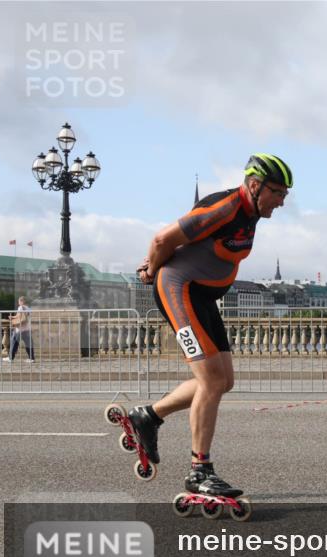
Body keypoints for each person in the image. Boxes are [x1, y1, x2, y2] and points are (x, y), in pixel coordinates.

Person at [131, 154, 292, 498]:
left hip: (201, 298)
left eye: (285, 194)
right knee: (212, 380)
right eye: (277, 192)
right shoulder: (227, 207)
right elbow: (163, 240)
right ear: (254, 186)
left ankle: (148, 416)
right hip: (179, 291)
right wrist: (149, 271)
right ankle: (198, 469)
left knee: (224, 380)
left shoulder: (252, 213)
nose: (282, 201)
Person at [3, 296, 35, 363]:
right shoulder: (29, 308)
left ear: (22, 301)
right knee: (28, 343)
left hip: (20, 329)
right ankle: (31, 358)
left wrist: (12, 317)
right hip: (27, 329)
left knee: (14, 342)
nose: (18, 303)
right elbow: (25, 317)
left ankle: (10, 358)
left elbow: (19, 316)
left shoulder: (20, 307)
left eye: (19, 301)